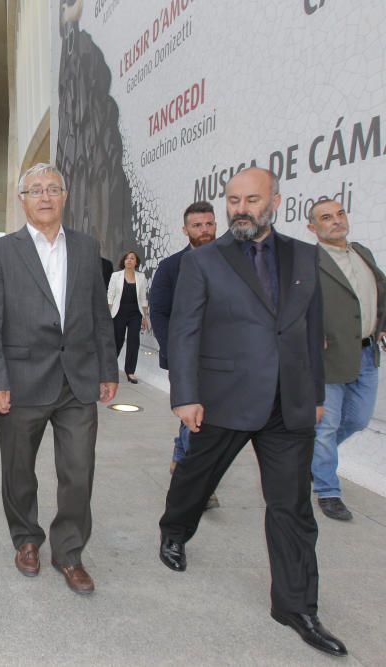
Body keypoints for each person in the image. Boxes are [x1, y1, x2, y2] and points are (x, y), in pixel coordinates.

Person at [159, 167, 347, 657]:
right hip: (224, 396)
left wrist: (316, 393)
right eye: (233, 199)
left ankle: (295, 605)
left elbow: (310, 329)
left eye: (251, 199)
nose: (240, 208)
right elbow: (185, 330)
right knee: (197, 478)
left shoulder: (304, 255)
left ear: (276, 202)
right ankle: (175, 529)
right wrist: (185, 392)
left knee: (292, 507)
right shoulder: (206, 262)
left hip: (289, 404)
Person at [0, 163, 117, 595]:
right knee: (19, 471)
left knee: (79, 470)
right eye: (35, 189)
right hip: (21, 382)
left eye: (52, 188)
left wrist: (107, 370)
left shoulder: (86, 247)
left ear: (64, 196)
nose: (44, 196)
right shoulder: (2, 252)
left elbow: (98, 315)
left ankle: (69, 552)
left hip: (77, 382)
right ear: (22, 199)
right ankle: (26, 539)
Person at [306, 199, 386, 521]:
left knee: (358, 420)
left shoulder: (362, 253)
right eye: (326, 217)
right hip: (328, 356)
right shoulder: (309, 261)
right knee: (326, 427)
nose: (336, 221)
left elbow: (381, 290)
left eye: (339, 214)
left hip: (366, 353)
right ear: (313, 228)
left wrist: (381, 324)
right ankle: (327, 490)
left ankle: (311, 460)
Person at [147, 201, 219, 508]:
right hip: (187, 358)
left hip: (224, 359)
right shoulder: (171, 267)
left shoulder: (231, 263)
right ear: (185, 230)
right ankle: (197, 484)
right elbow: (159, 312)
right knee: (199, 419)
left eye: (209, 224)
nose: (204, 230)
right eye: (197, 225)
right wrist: (173, 350)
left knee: (203, 417)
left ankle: (181, 459)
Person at [106, 250, 148, 383]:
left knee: (133, 341)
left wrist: (144, 317)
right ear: (123, 261)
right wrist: (108, 314)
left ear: (136, 262)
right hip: (119, 312)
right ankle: (109, 370)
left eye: (132, 258)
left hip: (135, 313)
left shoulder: (141, 277)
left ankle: (130, 371)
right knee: (117, 340)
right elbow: (110, 296)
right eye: (127, 258)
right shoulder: (116, 275)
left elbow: (143, 298)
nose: (129, 260)